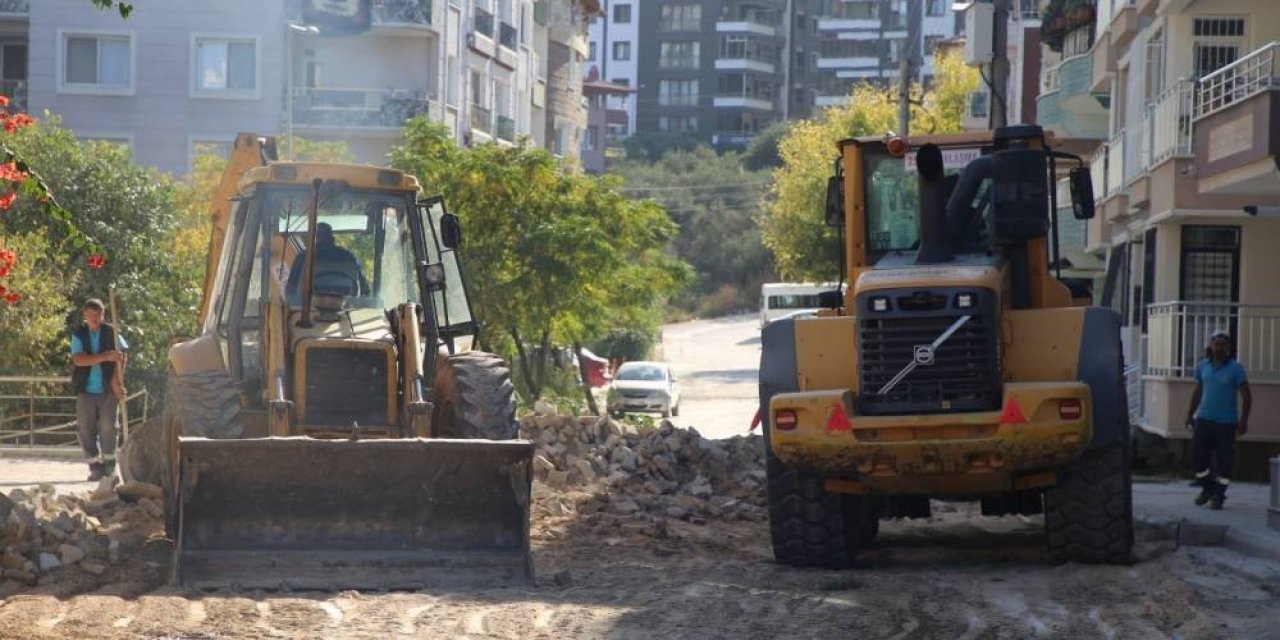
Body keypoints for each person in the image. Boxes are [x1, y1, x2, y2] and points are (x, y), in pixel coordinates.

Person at [1184, 329, 1251, 509]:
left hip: (1226, 423)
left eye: (1223, 345)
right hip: (1204, 420)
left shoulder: (1236, 369)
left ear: (1228, 348)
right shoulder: (1203, 366)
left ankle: (1219, 495)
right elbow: (1197, 391)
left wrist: (1244, 421)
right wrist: (1189, 415)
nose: (1219, 348)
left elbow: (1247, 397)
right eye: (1216, 344)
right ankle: (1207, 488)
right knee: (1197, 458)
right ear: (1211, 346)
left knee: (1224, 462)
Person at [70, 298, 128, 481]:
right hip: (85, 389)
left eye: (97, 314)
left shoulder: (112, 332)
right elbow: (79, 360)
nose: (94, 318)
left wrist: (116, 382)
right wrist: (104, 357)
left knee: (109, 427)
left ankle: (109, 464)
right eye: (90, 315)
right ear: (85, 316)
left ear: (103, 315)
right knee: (86, 429)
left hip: (107, 390)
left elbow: (121, 357)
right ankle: (94, 466)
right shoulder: (79, 334)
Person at [286, 222, 369, 298]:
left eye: (320, 236)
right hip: (345, 310)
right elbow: (364, 292)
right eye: (319, 236)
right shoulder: (349, 258)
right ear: (332, 239)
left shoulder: (304, 257)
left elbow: (290, 290)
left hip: (308, 312)